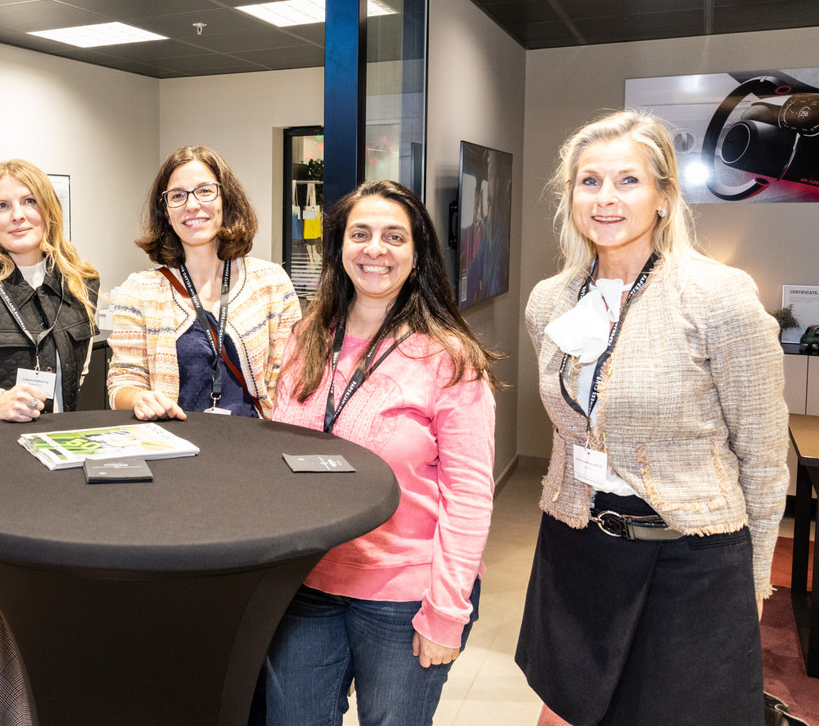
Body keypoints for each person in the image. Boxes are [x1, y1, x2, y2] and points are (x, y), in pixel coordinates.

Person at [514, 109, 787, 726]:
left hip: (690, 559)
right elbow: (572, 426)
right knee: (565, 713)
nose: (606, 198)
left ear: (665, 195)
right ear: (570, 195)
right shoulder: (549, 300)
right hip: (579, 545)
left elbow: (766, 458)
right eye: (589, 181)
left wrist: (754, 583)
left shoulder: (718, 296)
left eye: (628, 181)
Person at [255, 180, 499, 726]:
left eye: (394, 236)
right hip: (307, 582)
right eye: (360, 234)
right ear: (338, 246)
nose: (375, 249)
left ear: (417, 255)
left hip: (404, 593)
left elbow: (469, 496)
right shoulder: (306, 338)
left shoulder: (450, 358)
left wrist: (445, 611)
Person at [0, 159, 100, 726]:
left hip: (65, 483)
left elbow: (80, 388)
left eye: (29, 202)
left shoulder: (81, 284)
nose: (18, 215)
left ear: (48, 210)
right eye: (3, 205)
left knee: (64, 625)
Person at [108, 145, 300, 420]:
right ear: (165, 211)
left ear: (226, 199)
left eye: (205, 191)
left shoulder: (271, 283)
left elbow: (292, 380)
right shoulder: (139, 292)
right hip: (172, 450)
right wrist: (139, 397)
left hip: (255, 449)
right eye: (177, 195)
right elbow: (121, 383)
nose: (192, 204)